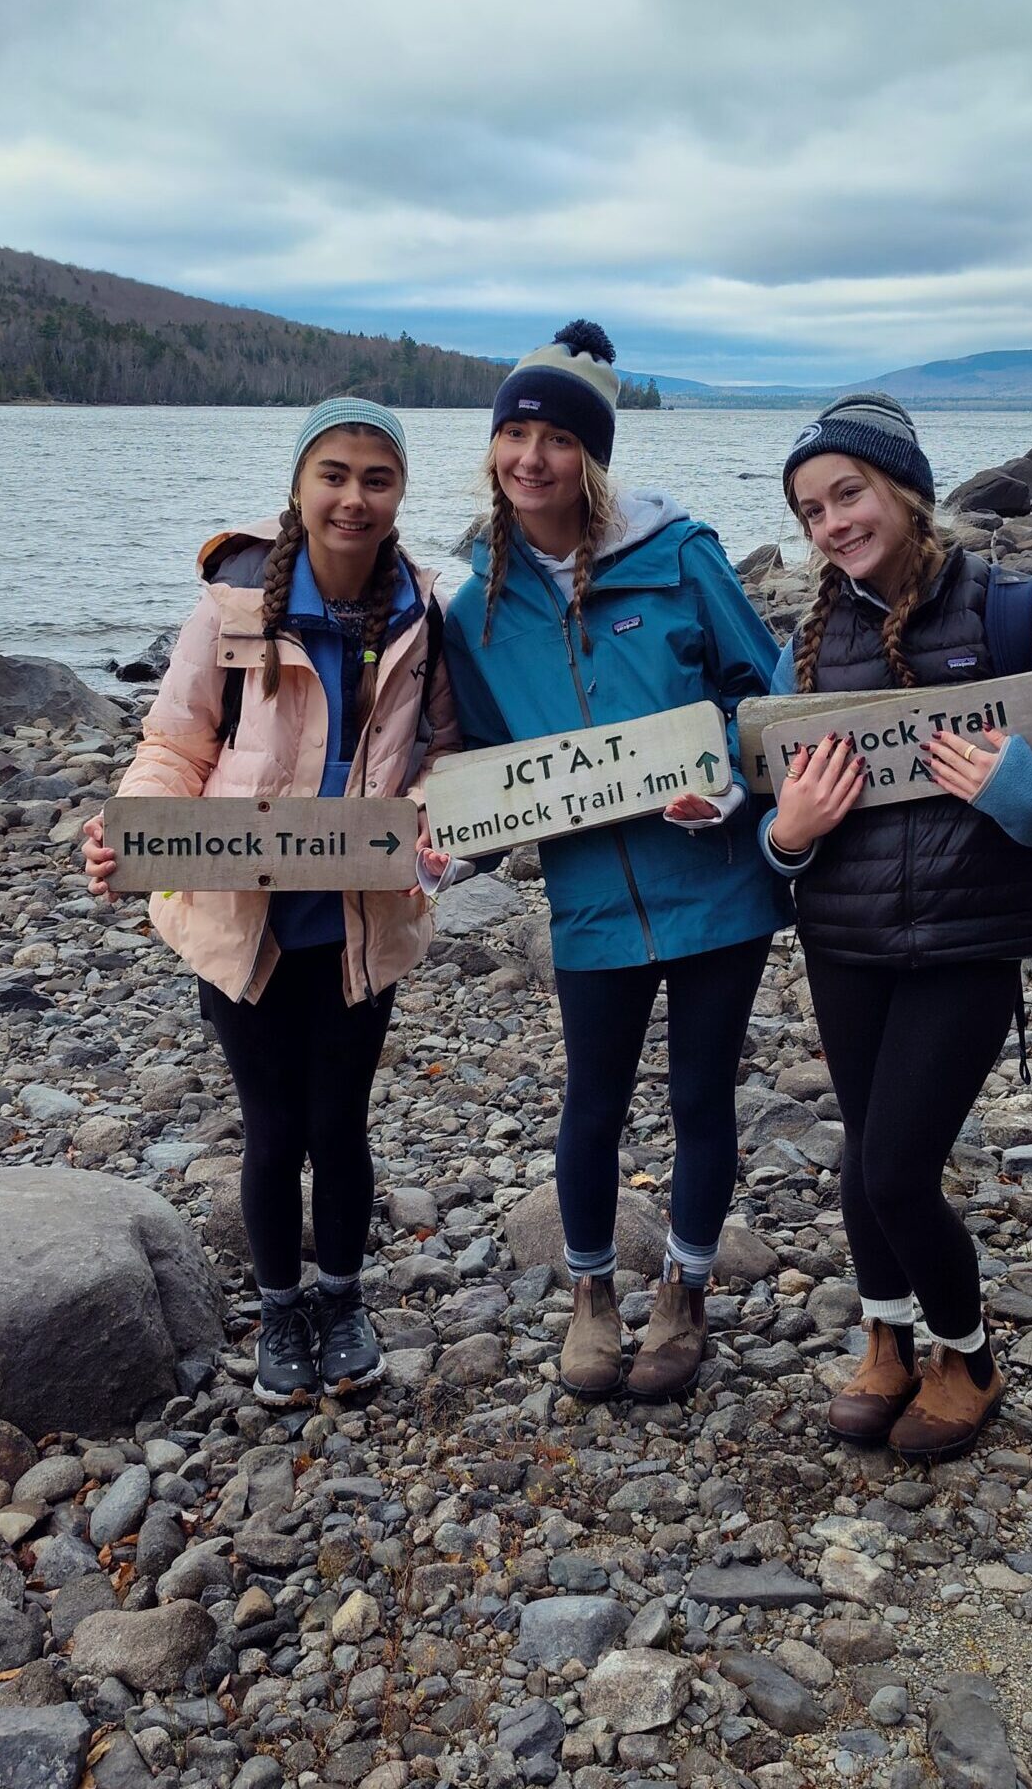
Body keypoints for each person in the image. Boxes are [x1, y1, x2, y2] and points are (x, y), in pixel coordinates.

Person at [433, 321, 792, 1402]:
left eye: (555, 438)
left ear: (592, 458)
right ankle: (591, 1295)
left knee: (699, 1098)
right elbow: (491, 760)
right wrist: (443, 833)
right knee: (590, 1101)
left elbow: (766, 695)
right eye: (514, 435)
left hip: (718, 879)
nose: (531, 458)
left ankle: (683, 1292)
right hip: (591, 895)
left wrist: (727, 779)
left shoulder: (680, 556)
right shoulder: (477, 604)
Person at [82, 398, 458, 1407]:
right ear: (298, 485)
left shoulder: (425, 615)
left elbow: (443, 756)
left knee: (340, 1124)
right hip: (242, 924)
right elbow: (176, 743)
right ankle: (281, 1310)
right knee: (272, 1127)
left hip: (356, 926)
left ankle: (343, 1300)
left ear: (400, 495)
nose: (354, 497)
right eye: (334, 474)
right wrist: (136, 826)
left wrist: (426, 825)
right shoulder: (231, 608)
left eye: (377, 479)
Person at [761, 393, 1032, 1460]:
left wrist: (1016, 785)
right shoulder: (809, 647)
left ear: (905, 493)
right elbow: (775, 830)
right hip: (846, 940)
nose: (832, 524)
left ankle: (966, 1355)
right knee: (862, 1156)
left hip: (968, 937)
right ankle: (886, 1339)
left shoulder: (1017, 616)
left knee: (899, 1168)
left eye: (849, 494)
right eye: (812, 510)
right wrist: (789, 832)